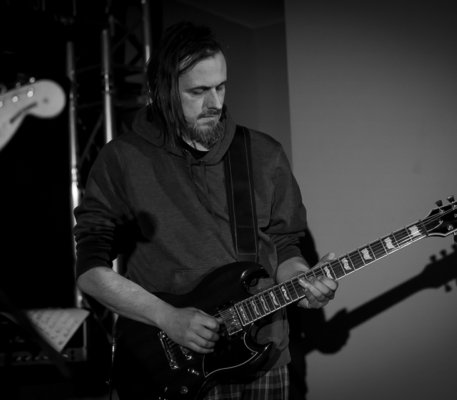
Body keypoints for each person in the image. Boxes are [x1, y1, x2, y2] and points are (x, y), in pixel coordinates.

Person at [73, 21, 338, 400]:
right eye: (198, 91)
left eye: (221, 87)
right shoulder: (122, 159)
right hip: (166, 369)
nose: (214, 103)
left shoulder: (264, 154)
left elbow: (285, 246)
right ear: (160, 91)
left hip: (263, 358)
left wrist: (303, 282)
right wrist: (167, 317)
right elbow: (90, 270)